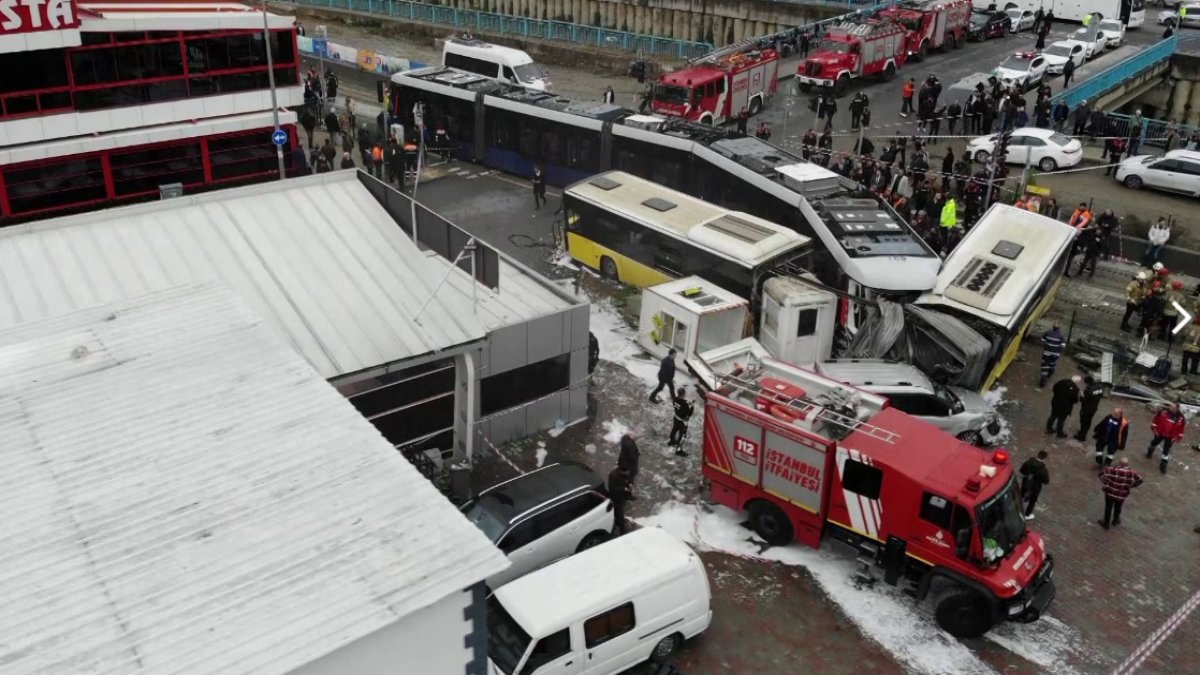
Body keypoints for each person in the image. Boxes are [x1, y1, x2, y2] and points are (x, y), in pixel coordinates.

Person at [1098, 457, 1143, 530]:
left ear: (1119, 463)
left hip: (1110, 492)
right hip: (1122, 494)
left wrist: (1106, 482)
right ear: (1127, 464)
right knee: (1118, 507)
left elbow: (1101, 475)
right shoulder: (1132, 472)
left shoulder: (1110, 469)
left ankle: (1106, 523)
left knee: (1108, 507)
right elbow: (1140, 480)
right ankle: (1115, 520)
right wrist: (1131, 486)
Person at [1147, 402, 1186, 473]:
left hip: (1170, 437)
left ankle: (1163, 466)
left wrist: (1178, 437)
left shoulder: (1181, 417)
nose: (1170, 408)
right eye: (1170, 406)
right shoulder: (1163, 412)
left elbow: (1181, 428)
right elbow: (1156, 419)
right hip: (1160, 433)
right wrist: (1154, 429)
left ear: (1177, 409)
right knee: (1154, 443)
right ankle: (1149, 453)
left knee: (1166, 451)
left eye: (1172, 407)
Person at [1019, 451, 1050, 519]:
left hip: (1026, 482)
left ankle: (1017, 507)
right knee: (1032, 501)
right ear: (1045, 458)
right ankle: (1027, 514)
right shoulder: (1043, 469)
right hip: (1035, 486)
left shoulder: (1028, 462)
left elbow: (1021, 470)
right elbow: (1046, 481)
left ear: (1037, 455)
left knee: (1021, 494)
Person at [668, 387, 695, 455]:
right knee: (682, 436)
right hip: (682, 422)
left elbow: (679, 406)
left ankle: (671, 441)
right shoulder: (684, 404)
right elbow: (689, 414)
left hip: (676, 418)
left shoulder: (675, 399)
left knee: (674, 429)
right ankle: (678, 450)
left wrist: (686, 403)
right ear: (683, 394)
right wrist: (692, 406)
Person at [606, 465, 632, 535]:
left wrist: (629, 484)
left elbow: (627, 480)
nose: (628, 473)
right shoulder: (613, 476)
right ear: (622, 471)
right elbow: (613, 488)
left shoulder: (624, 474)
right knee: (620, 514)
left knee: (619, 511)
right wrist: (623, 489)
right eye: (626, 472)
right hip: (616, 497)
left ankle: (618, 522)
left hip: (622, 496)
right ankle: (622, 531)